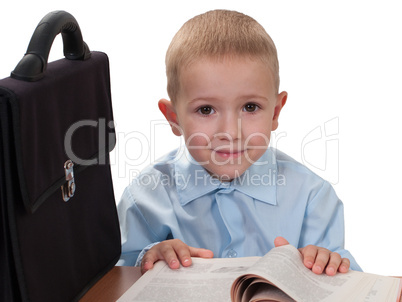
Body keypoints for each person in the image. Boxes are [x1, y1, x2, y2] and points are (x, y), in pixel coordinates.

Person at [117, 9, 361, 275]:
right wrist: (147, 258)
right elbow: (112, 281)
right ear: (174, 118)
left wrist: (326, 264)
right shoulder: (145, 197)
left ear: (275, 113)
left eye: (250, 106)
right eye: (206, 110)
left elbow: (348, 281)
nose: (231, 132)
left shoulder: (312, 197)